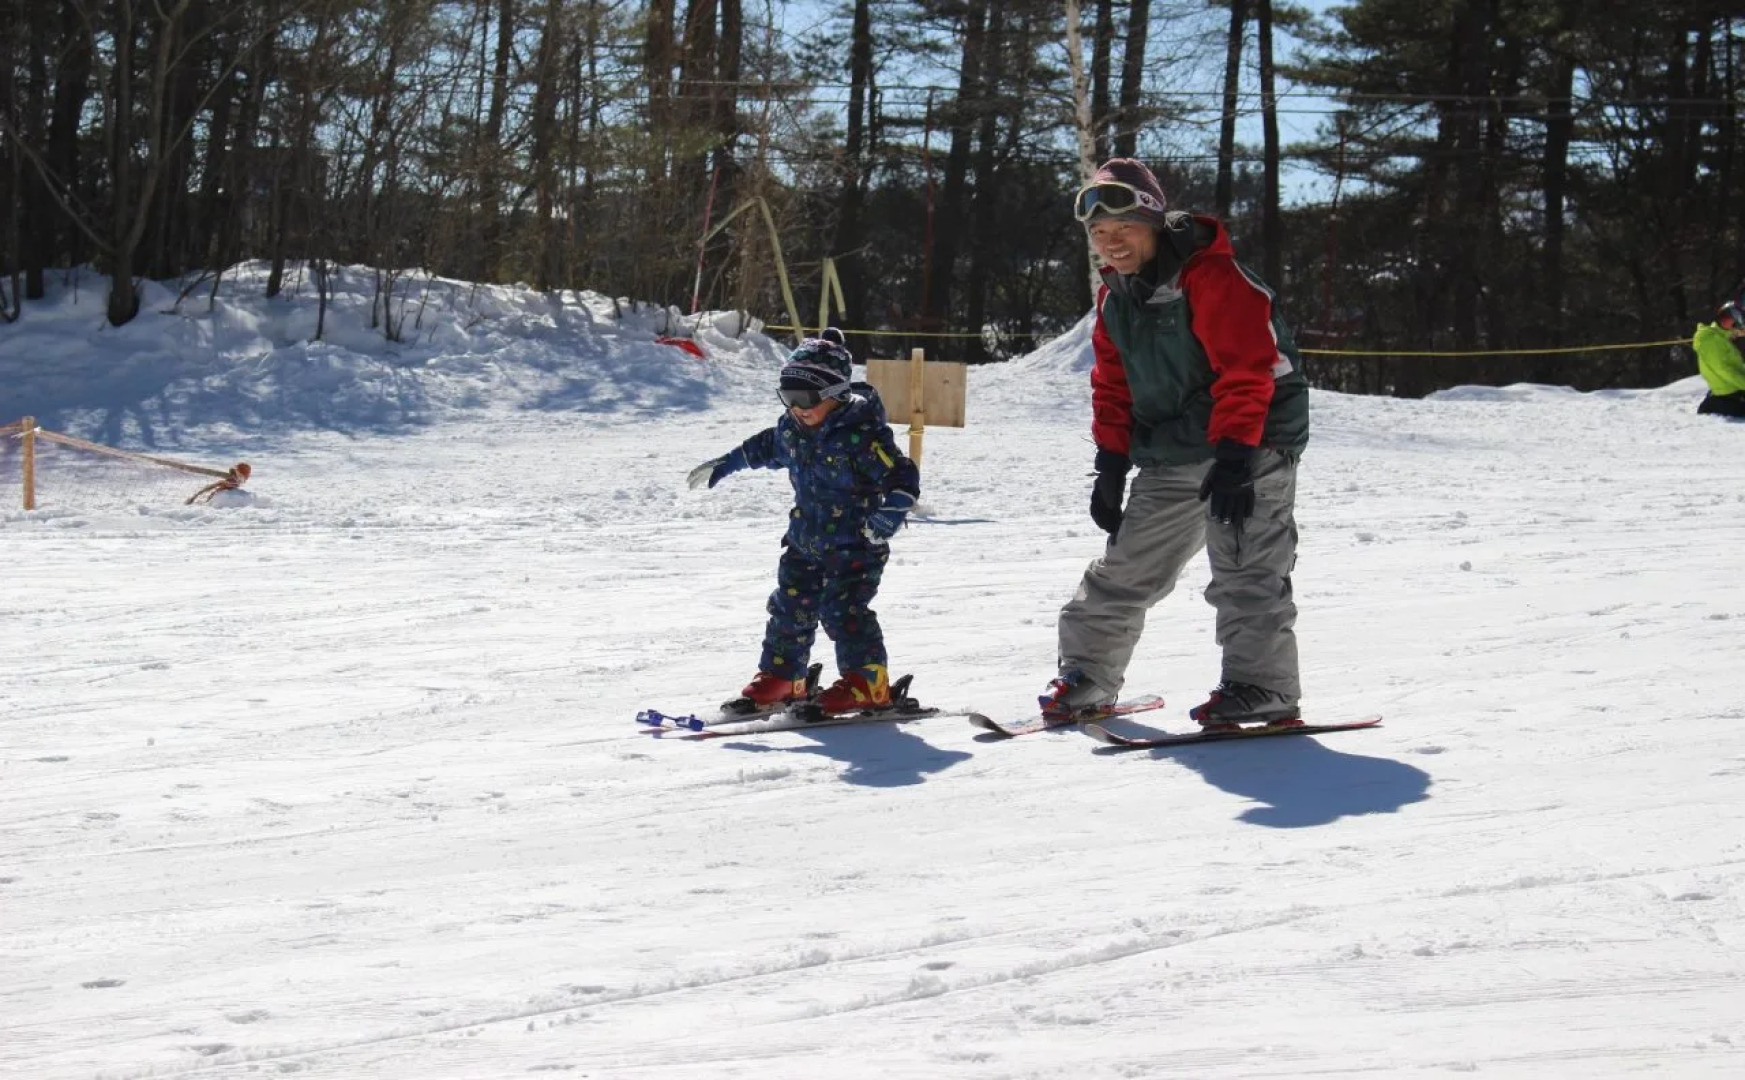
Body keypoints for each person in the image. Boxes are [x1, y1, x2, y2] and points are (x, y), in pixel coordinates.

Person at [1041, 158, 1311, 730]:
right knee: (1126, 566)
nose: (1111, 244)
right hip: (1175, 447)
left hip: (1253, 441)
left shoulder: (1212, 276)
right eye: (1100, 234)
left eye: (1124, 230)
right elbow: (1112, 387)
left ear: (1155, 223)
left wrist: (1238, 459)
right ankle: (1087, 676)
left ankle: (1262, 687)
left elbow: (1248, 368)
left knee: (1245, 566)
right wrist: (1110, 463)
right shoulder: (1115, 299)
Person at [688, 330, 921, 714]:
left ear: (836, 394)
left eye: (806, 398)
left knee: (843, 610)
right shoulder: (793, 429)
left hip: (857, 543)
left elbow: (901, 475)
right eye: (788, 397)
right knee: (789, 606)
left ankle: (868, 684)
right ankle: (784, 678)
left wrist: (892, 511)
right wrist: (727, 463)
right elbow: (764, 446)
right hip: (804, 539)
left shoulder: (861, 436)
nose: (797, 407)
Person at [1693, 297, 1745, 418]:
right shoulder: (1710, 340)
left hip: (1734, 390)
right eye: (1724, 319)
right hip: (1726, 396)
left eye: (1731, 320)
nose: (1728, 324)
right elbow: (1725, 371)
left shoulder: (1722, 338)